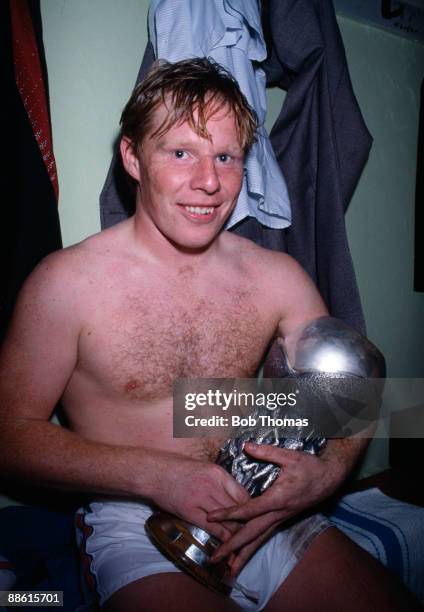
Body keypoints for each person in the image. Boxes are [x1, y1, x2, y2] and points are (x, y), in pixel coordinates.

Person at [0, 58, 417, 611]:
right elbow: (9, 436)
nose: (209, 182)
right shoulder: (64, 286)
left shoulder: (276, 277)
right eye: (180, 153)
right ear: (133, 157)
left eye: (226, 156)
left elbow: (353, 383)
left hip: (260, 511)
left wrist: (329, 472)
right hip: (136, 519)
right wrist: (158, 477)